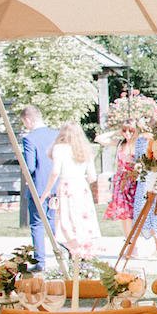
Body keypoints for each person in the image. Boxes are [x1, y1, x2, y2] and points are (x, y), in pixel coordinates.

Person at [48, 121, 102, 260]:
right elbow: (92, 177)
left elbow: (55, 172)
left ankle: (73, 252)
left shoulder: (59, 148)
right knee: (82, 221)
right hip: (81, 187)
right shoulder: (85, 149)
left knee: (67, 222)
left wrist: (46, 192)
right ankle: (84, 255)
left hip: (66, 186)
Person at [17, 105, 59, 268]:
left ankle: (40, 261)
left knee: (37, 224)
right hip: (56, 186)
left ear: (28, 120)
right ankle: (64, 254)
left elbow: (30, 167)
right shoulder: (56, 135)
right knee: (54, 223)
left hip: (38, 187)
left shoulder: (30, 139)